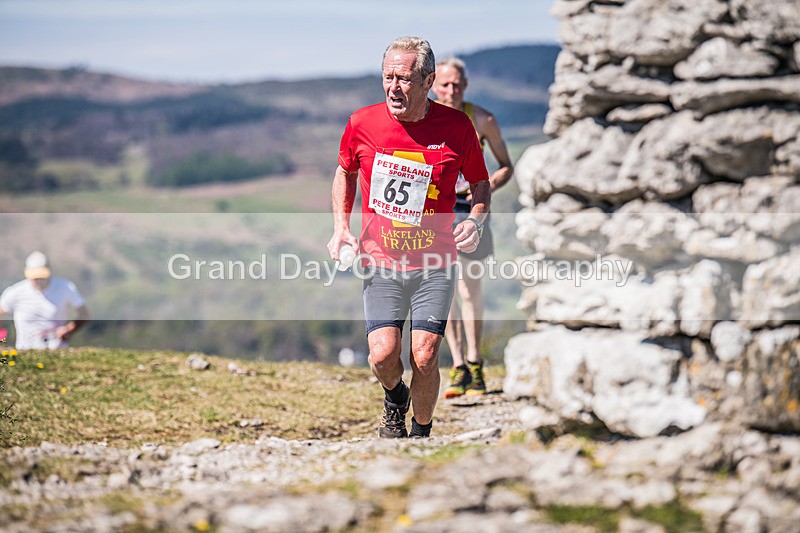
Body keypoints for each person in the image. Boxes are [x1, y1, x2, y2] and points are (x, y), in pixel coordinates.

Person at [328, 37, 491, 438]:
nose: (393, 88)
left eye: (404, 79)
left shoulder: (457, 127)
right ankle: (395, 397)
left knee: (425, 354)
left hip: (435, 263)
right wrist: (341, 227)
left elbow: (481, 183)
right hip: (381, 260)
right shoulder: (362, 123)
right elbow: (345, 171)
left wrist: (476, 220)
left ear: (428, 81)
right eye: (387, 77)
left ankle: (420, 433)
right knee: (383, 356)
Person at [431, 57, 515, 399]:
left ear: (465, 86)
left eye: (459, 85)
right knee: (445, 289)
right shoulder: (425, 118)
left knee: (469, 289)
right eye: (446, 85)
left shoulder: (483, 119)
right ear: (434, 86)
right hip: (436, 210)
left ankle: (475, 361)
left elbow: (507, 165)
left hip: (472, 209)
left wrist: (486, 185)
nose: (452, 91)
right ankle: (457, 368)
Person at [0, 251, 90, 350]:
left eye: (41, 276)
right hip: (25, 351)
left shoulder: (66, 288)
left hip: (58, 351)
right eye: (34, 277)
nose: (38, 280)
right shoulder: (15, 292)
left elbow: (84, 315)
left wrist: (68, 330)